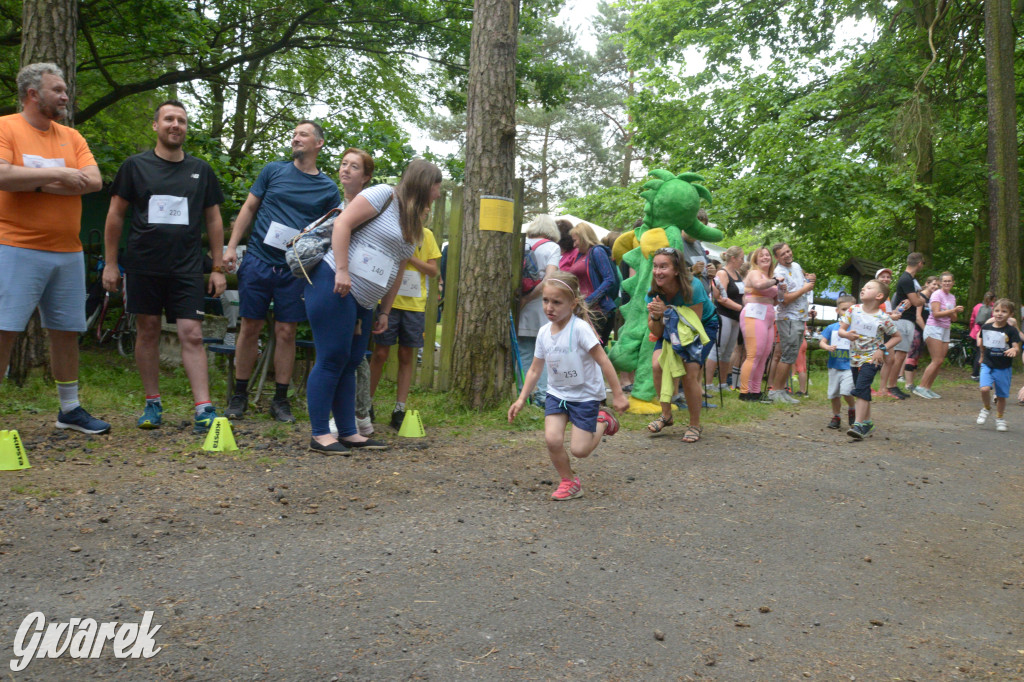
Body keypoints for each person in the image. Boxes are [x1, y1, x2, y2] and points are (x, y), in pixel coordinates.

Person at [102, 100, 227, 433]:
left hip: (185, 266)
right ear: (155, 126)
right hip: (144, 265)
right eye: (169, 119)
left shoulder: (201, 170)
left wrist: (217, 267)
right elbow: (115, 215)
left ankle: (204, 408)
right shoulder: (134, 166)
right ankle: (152, 403)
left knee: (192, 334)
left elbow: (214, 219)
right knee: (148, 331)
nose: (176, 125)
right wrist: (111, 264)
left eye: (182, 121)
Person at [305, 159, 442, 454]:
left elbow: (398, 267)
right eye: (436, 187)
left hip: (365, 301)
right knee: (331, 358)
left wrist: (384, 310)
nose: (438, 194)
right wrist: (341, 270)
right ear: (423, 183)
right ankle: (319, 433)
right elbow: (342, 223)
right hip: (335, 284)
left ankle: (348, 432)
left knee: (351, 362)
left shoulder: (413, 220)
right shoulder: (382, 195)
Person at [0, 63, 108, 434]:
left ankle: (69, 409)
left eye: (65, 90)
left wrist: (32, 183)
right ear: (33, 94)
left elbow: (93, 181)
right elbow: (1, 175)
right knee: (4, 329)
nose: (65, 96)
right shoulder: (6, 127)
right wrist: (60, 175)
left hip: (68, 251)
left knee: (65, 329)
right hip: (15, 245)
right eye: (58, 90)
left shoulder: (72, 137)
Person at [223, 120, 341, 422]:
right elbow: (249, 208)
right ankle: (239, 396)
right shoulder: (273, 171)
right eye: (294, 134)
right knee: (250, 326)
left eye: (303, 134)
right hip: (259, 261)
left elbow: (328, 231)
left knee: (286, 331)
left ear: (318, 144)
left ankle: (280, 400)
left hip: (295, 270)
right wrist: (231, 246)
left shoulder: (327, 188)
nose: (296, 139)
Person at [508, 272, 628, 500]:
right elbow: (535, 369)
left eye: (556, 302)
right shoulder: (544, 333)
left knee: (580, 451)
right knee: (552, 439)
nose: (549, 307)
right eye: (545, 300)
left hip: (584, 396)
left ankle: (603, 420)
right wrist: (521, 398)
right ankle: (569, 481)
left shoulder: (580, 329)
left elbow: (604, 360)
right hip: (557, 394)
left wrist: (619, 395)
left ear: (572, 304)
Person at [368, 201, 442, 431]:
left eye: (425, 212)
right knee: (380, 353)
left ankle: (399, 408)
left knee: (407, 354)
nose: (423, 214)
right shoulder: (395, 233)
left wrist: (409, 257)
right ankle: (366, 405)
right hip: (388, 301)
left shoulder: (427, 236)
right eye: (420, 210)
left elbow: (433, 270)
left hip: (414, 305)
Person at [645, 247, 712, 443]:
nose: (658, 271)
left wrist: (666, 311)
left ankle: (694, 424)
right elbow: (656, 332)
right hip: (668, 329)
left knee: (690, 371)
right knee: (657, 364)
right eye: (655, 266)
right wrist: (657, 317)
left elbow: (693, 324)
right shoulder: (652, 291)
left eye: (663, 266)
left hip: (700, 327)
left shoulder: (693, 286)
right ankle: (666, 415)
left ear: (676, 270)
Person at [336, 149, 376, 437]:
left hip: (363, 292)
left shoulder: (371, 210)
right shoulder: (334, 205)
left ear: (366, 177)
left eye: (354, 166)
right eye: (343, 164)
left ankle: (360, 414)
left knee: (356, 358)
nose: (346, 170)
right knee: (336, 355)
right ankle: (336, 419)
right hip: (337, 288)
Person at [839, 279, 901, 439]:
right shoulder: (853, 309)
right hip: (854, 358)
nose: (863, 289)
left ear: (879, 295)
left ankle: (858, 425)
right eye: (864, 286)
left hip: (872, 358)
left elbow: (897, 337)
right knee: (862, 389)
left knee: (861, 388)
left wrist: (882, 349)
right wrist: (847, 335)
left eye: (869, 287)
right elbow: (841, 330)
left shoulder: (883, 318)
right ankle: (867, 422)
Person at [516, 215, 562, 405]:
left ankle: (522, 395)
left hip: (519, 306)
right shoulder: (552, 248)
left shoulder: (521, 243)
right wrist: (530, 298)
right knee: (544, 354)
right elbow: (548, 281)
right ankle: (543, 396)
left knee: (524, 352)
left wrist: (523, 299)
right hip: (541, 308)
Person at [769, 242, 815, 404]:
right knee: (787, 355)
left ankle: (781, 391)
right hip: (788, 318)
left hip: (800, 317)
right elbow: (784, 300)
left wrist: (810, 279)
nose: (787, 255)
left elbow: (804, 281)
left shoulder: (796, 266)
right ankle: (776, 392)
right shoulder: (778, 274)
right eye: (783, 254)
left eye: (788, 251)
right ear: (777, 257)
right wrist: (805, 288)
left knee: (790, 355)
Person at [738, 248, 781, 402]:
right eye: (761, 255)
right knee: (754, 354)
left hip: (768, 316)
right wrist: (776, 282)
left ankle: (755, 391)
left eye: (767, 255)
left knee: (764, 355)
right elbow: (759, 284)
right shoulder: (755, 273)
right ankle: (744, 391)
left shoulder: (770, 277)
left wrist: (781, 290)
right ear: (755, 260)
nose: (765, 257)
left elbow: (776, 300)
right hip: (754, 315)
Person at [975, 298, 1021, 432]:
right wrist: (982, 357)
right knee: (984, 389)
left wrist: (1014, 350)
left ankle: (1000, 418)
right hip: (988, 364)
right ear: (992, 312)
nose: (999, 313)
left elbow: (1016, 347)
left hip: (1003, 367)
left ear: (1011, 314)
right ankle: (986, 408)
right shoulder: (986, 327)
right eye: (997, 310)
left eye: (1004, 311)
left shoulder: (1011, 330)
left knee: (1001, 396)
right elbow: (982, 344)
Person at [914, 271, 962, 399]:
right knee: (936, 360)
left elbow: (954, 318)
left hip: (946, 329)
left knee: (940, 361)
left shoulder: (951, 297)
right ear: (940, 283)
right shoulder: (936, 294)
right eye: (944, 281)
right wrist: (952, 310)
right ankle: (920, 387)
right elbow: (935, 313)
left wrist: (953, 312)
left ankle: (928, 388)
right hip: (934, 328)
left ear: (953, 283)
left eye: (949, 281)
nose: (947, 283)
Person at [570, 222, 619, 345]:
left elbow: (609, 279)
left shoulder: (597, 251)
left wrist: (589, 301)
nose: (574, 244)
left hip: (598, 312)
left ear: (584, 237)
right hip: (584, 310)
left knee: (592, 351)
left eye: (575, 240)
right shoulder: (580, 255)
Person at [886, 253, 926, 399]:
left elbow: (915, 298)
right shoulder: (906, 279)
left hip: (908, 320)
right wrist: (921, 299)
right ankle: (891, 385)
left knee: (902, 355)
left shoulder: (911, 280)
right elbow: (916, 302)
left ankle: (893, 384)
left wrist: (918, 297)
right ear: (920, 263)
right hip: (902, 320)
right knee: (900, 354)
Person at [705, 246, 744, 391]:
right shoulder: (723, 273)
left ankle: (722, 383)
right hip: (724, 316)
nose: (742, 261)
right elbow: (721, 297)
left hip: (736, 318)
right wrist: (742, 309)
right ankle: (708, 383)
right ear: (733, 258)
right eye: (741, 258)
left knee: (728, 351)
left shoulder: (737, 274)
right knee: (717, 349)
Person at [819, 295, 857, 429]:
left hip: (850, 366)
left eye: (850, 309)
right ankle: (836, 416)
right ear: (838, 311)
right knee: (834, 393)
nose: (847, 312)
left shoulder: (857, 328)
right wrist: (827, 347)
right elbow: (822, 342)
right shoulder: (832, 328)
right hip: (834, 366)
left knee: (847, 391)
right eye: (844, 309)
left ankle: (852, 408)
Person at [902, 275, 938, 392]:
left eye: (938, 285)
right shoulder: (920, 297)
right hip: (917, 329)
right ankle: (908, 383)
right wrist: (926, 330)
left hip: (925, 330)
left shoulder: (932, 299)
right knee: (912, 354)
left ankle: (912, 382)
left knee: (917, 356)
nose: (936, 287)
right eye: (934, 284)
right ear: (927, 284)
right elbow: (918, 317)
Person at [968, 291, 995, 381]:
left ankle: (976, 372)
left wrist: (972, 329)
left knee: (977, 353)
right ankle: (976, 374)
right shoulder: (994, 308)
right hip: (986, 333)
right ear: (993, 299)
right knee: (982, 353)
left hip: (975, 332)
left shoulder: (977, 306)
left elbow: (972, 320)